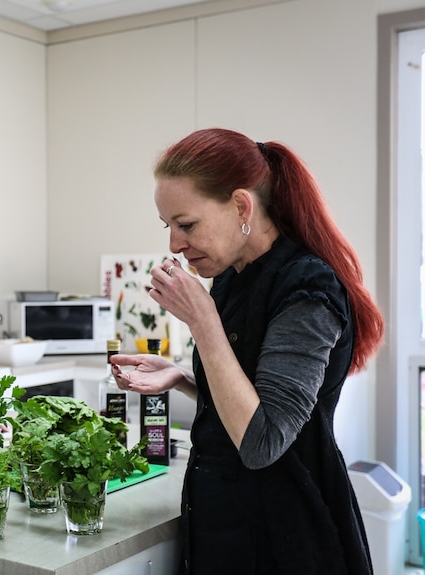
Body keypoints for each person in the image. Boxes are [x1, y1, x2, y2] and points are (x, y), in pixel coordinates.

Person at [111, 128, 384, 574]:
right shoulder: (233, 278)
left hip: (284, 538)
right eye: (169, 227)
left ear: (241, 206)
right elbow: (244, 402)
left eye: (187, 224)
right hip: (225, 526)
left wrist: (202, 322)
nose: (174, 244)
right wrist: (181, 377)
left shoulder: (307, 290)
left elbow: (262, 441)